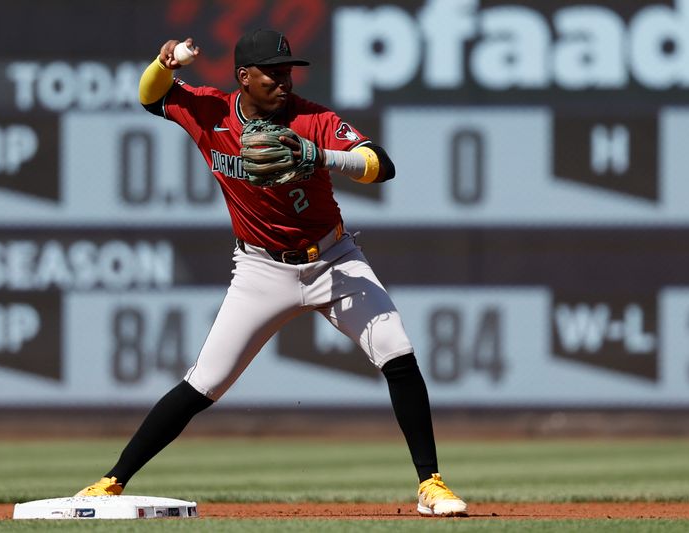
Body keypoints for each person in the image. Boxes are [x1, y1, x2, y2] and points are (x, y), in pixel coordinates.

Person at [76, 29, 467, 517]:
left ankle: (431, 483)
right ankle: (112, 481)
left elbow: (380, 165)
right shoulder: (211, 112)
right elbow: (150, 98)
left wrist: (319, 156)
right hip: (261, 269)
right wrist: (165, 65)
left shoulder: (311, 119)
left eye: (288, 71)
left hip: (334, 260)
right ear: (244, 77)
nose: (285, 81)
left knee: (398, 352)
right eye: (273, 73)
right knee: (204, 383)